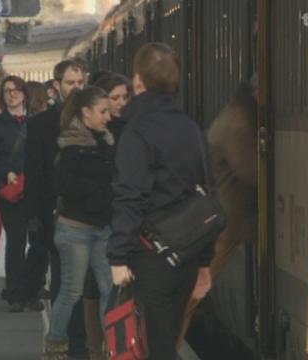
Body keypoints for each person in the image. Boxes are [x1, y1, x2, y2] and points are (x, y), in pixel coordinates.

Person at [107, 43, 215, 360]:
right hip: (187, 253)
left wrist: (118, 256)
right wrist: (204, 259)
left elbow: (130, 195)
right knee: (167, 338)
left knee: (153, 344)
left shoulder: (136, 131)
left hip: (150, 253)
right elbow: (207, 195)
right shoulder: (191, 129)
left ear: (138, 82)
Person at [177, 79, 258, 347]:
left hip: (224, 218)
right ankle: (168, 346)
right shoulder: (236, 122)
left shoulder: (231, 116)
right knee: (193, 293)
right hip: (225, 221)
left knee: (193, 291)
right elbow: (250, 172)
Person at [43, 87, 115, 359]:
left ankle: (111, 345)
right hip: (76, 228)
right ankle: (56, 344)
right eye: (103, 111)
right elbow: (61, 183)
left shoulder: (107, 142)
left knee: (109, 288)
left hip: (101, 227)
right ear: (86, 113)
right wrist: (97, 193)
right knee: (72, 290)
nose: (108, 117)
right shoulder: (72, 145)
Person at [23, 59, 87, 356]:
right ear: (57, 86)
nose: (76, 88)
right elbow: (34, 175)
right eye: (70, 83)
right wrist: (34, 219)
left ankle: (83, 344)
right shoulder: (39, 125)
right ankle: (67, 344)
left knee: (88, 286)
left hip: (92, 218)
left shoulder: (97, 119)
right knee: (64, 285)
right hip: (57, 218)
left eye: (80, 83)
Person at [0, 75, 37, 311]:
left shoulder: (35, 122)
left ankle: (32, 291)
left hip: (35, 188)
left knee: (37, 242)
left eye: (15, 90)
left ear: (24, 93)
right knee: (16, 242)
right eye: (6, 91)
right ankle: (15, 293)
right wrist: (6, 173)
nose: (11, 95)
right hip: (11, 190)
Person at [93, 73, 132, 142]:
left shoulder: (132, 123)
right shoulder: (95, 129)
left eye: (125, 97)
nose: (122, 103)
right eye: (115, 98)